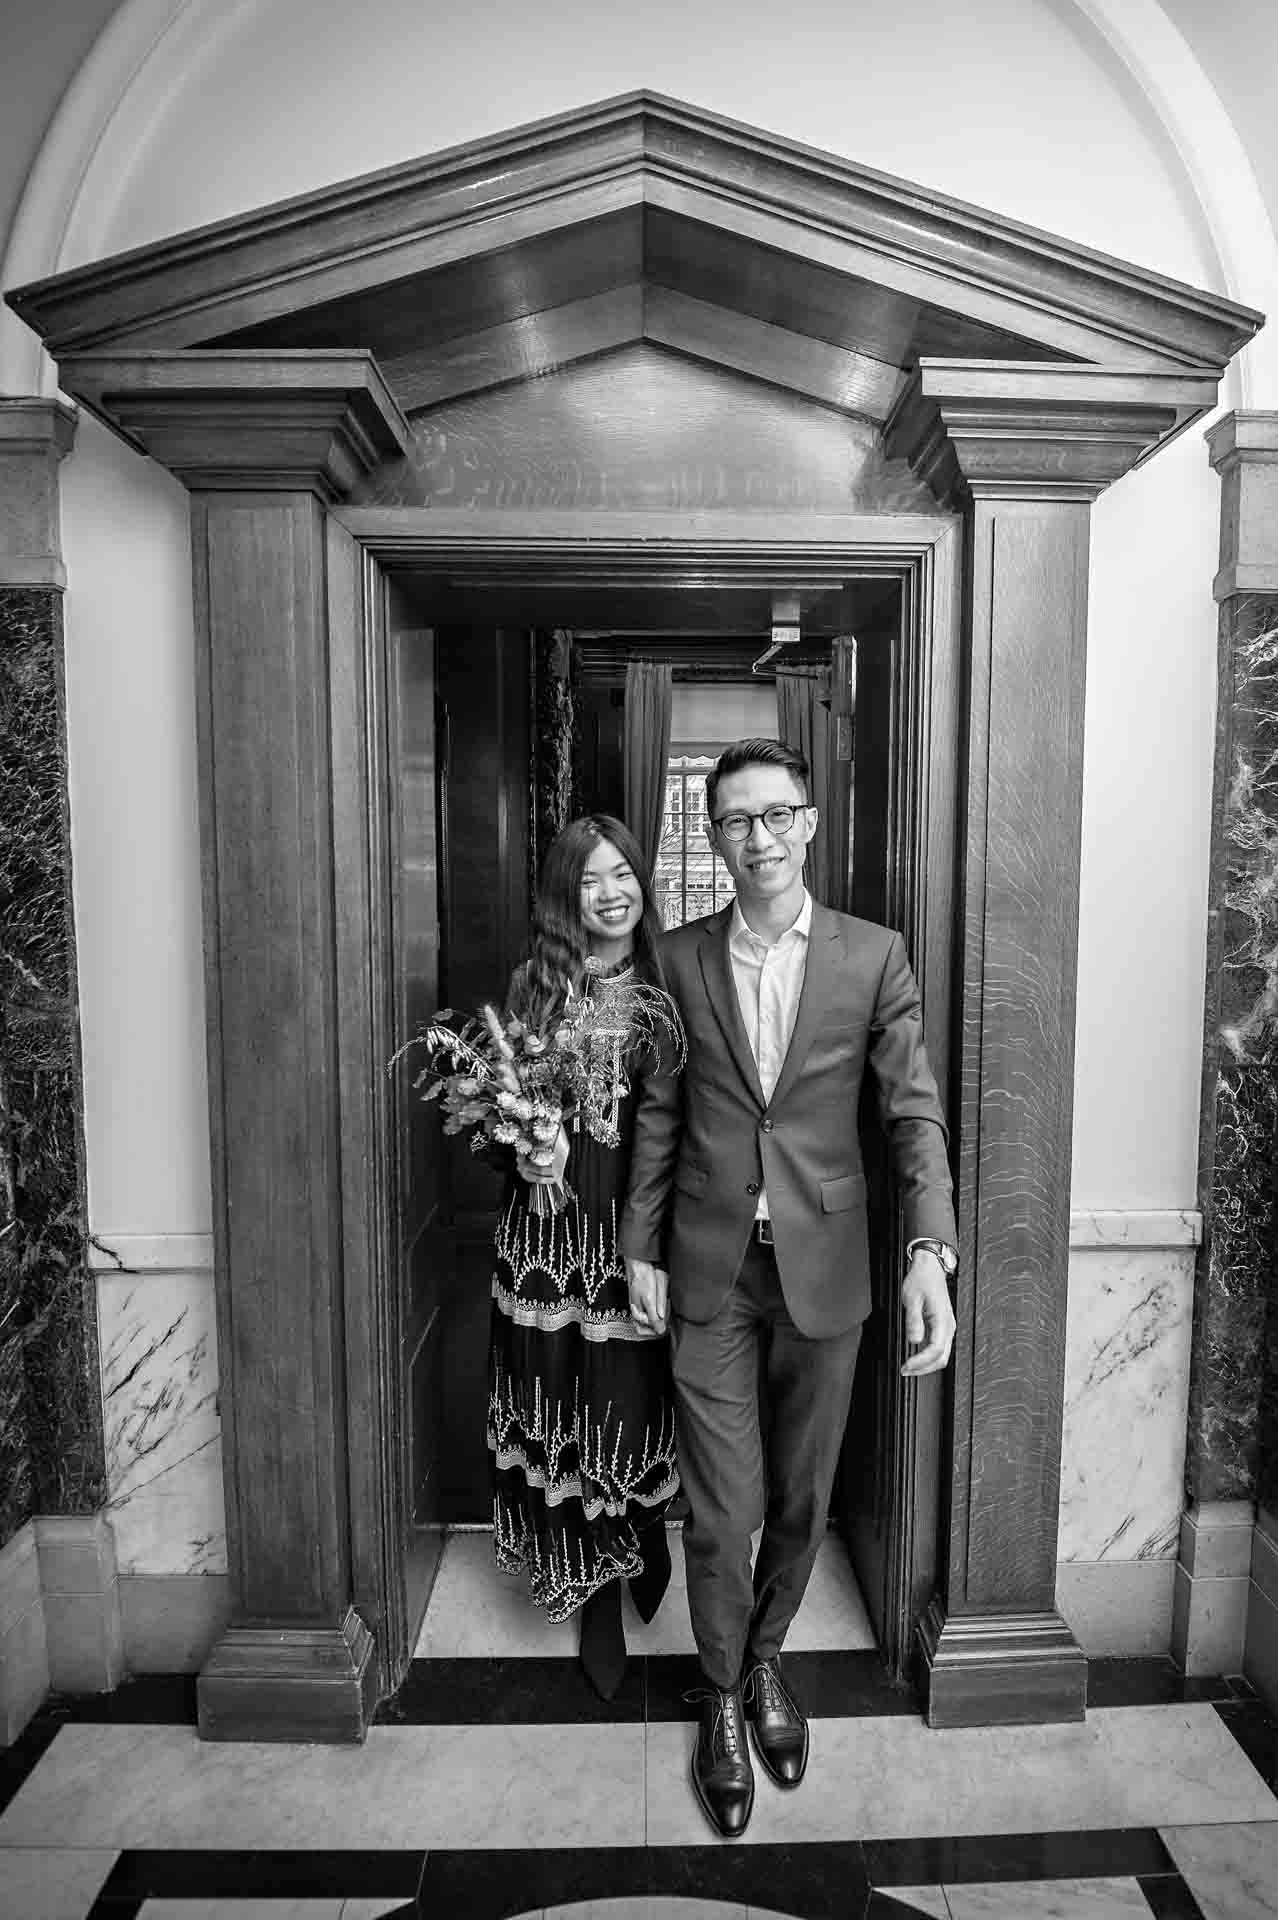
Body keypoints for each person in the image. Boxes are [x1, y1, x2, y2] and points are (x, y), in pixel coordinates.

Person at [620, 739, 957, 1838]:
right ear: (713, 837)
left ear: (808, 824)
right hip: (712, 1264)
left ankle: (766, 1660)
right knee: (725, 1509)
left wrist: (928, 1252)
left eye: (775, 817)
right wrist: (640, 1244)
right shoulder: (673, 960)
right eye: (734, 822)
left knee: (804, 1498)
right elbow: (661, 1113)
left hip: (828, 1268)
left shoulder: (874, 955)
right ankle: (719, 1693)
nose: (756, 838)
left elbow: (912, 1114)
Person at [487, 813, 680, 1700]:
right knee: (561, 1393)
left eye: (623, 874)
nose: (611, 893)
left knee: (634, 1399)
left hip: (634, 1229)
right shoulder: (534, 988)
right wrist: (524, 1152)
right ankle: (591, 1583)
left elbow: (692, 1123)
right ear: (566, 895)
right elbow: (493, 1108)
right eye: (590, 880)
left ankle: (639, 1535)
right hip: (547, 1234)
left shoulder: (672, 981)